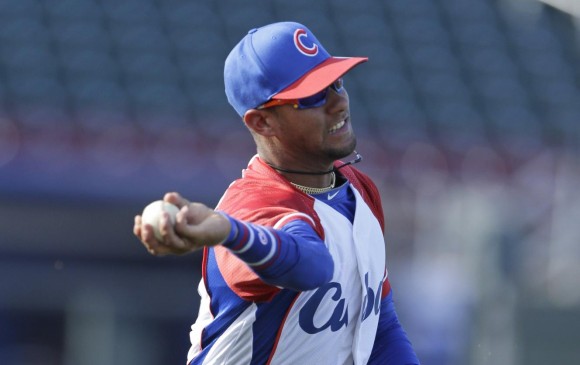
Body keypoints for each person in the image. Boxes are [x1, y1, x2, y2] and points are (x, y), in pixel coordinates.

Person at [134, 21, 420, 365]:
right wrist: (229, 232)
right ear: (261, 122)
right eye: (313, 95)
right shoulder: (251, 206)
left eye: (336, 83)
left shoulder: (360, 191)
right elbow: (310, 268)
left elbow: (379, 326)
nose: (338, 103)